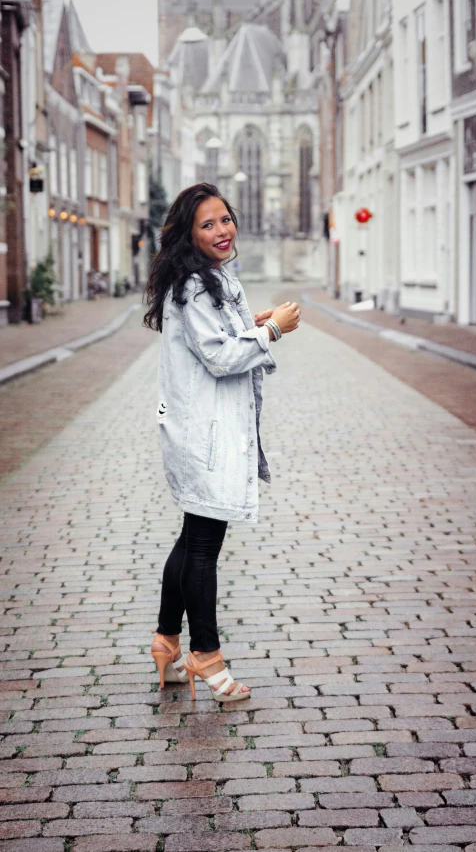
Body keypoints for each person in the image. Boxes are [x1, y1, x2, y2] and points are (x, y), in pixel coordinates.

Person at [143, 183, 300, 702]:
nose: (222, 230)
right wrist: (272, 331)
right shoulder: (193, 284)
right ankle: (206, 655)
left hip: (201, 426)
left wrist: (246, 324)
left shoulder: (206, 278)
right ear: (189, 235)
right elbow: (219, 358)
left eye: (225, 219)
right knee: (204, 545)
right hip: (202, 433)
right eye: (207, 224)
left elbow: (215, 339)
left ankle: (166, 641)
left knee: (191, 536)